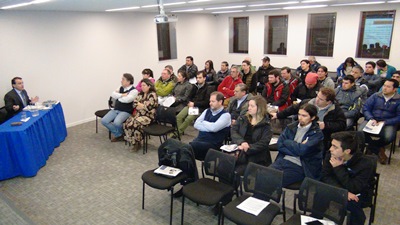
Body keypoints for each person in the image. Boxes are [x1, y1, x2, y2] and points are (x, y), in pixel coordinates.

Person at [321, 131, 374, 225]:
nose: (330, 149)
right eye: (331, 145)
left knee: (353, 206)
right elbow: (326, 176)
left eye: (335, 147)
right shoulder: (330, 155)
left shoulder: (365, 164)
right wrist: (343, 192)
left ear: (347, 151)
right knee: (317, 194)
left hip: (357, 192)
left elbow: (354, 187)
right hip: (338, 187)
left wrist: (339, 168)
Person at [271, 87, 347, 150]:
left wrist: (326, 125)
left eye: (321, 99)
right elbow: (292, 109)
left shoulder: (336, 110)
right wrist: (278, 115)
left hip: (321, 137)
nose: (317, 100)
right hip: (302, 131)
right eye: (317, 96)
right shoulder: (308, 102)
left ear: (328, 102)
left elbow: (342, 125)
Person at [270, 103, 324, 187]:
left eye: (304, 116)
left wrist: (287, 142)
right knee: (263, 176)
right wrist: (297, 147)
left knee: (272, 181)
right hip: (283, 160)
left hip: (302, 165)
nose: (300, 118)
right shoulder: (291, 127)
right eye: (299, 114)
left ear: (312, 118)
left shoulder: (316, 134)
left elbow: (302, 151)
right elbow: (280, 145)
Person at [359, 79, 400, 164]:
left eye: (388, 86)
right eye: (384, 85)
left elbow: (399, 117)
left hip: (387, 122)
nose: (384, 88)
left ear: (395, 89)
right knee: (360, 132)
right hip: (372, 119)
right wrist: (371, 118)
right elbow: (366, 108)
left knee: (388, 137)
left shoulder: (398, 100)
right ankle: (378, 149)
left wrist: (385, 122)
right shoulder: (376, 96)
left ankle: (372, 147)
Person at [231, 96, 273, 175]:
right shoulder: (243, 118)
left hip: (256, 156)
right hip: (240, 150)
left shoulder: (266, 125)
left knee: (235, 171)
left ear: (259, 108)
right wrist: (242, 142)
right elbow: (234, 131)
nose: (249, 108)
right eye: (249, 105)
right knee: (224, 166)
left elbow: (263, 143)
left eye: (252, 106)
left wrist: (247, 148)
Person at [189, 91, 231, 160]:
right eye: (210, 101)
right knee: (185, 150)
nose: (210, 103)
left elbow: (214, 128)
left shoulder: (226, 115)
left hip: (213, 145)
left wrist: (204, 122)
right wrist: (210, 126)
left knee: (189, 148)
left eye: (213, 101)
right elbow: (196, 124)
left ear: (220, 102)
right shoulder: (207, 111)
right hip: (199, 140)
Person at [123, 79, 158, 151]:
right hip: (139, 114)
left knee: (135, 123)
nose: (142, 87)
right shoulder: (140, 94)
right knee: (127, 122)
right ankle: (133, 141)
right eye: (141, 85)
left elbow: (149, 107)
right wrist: (142, 105)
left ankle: (137, 142)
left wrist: (140, 104)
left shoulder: (152, 94)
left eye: (144, 85)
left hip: (148, 116)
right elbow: (134, 104)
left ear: (149, 86)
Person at [101, 73, 138, 142]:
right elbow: (113, 94)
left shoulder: (134, 91)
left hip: (126, 111)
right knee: (104, 121)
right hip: (116, 109)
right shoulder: (120, 87)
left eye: (123, 79)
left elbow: (127, 100)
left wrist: (118, 96)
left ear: (128, 82)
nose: (121, 81)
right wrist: (123, 95)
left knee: (117, 123)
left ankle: (121, 135)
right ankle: (119, 134)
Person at [175, 71, 210, 137]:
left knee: (188, 118)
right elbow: (188, 97)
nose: (198, 79)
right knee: (179, 117)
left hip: (199, 108)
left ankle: (178, 132)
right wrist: (189, 102)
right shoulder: (194, 86)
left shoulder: (208, 88)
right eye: (197, 78)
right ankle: (179, 132)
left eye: (200, 78)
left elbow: (206, 102)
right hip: (191, 105)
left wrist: (194, 104)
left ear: (204, 78)